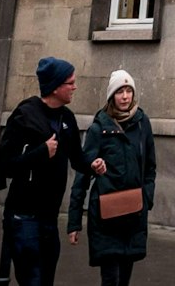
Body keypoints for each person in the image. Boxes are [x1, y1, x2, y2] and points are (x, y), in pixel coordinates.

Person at [0, 57, 102, 286]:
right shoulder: (25, 115)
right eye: (70, 82)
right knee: (32, 280)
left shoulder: (67, 118)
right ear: (55, 87)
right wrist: (41, 152)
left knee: (46, 280)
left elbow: (76, 157)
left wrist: (92, 165)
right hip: (23, 217)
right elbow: (4, 165)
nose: (75, 87)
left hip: (49, 218)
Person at [69, 70, 157, 286]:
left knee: (124, 279)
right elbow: (82, 174)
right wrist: (74, 222)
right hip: (106, 219)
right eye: (120, 92)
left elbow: (151, 168)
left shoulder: (142, 123)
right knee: (111, 279)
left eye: (129, 91)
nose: (125, 96)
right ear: (112, 96)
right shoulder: (99, 128)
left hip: (134, 215)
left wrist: (146, 199)